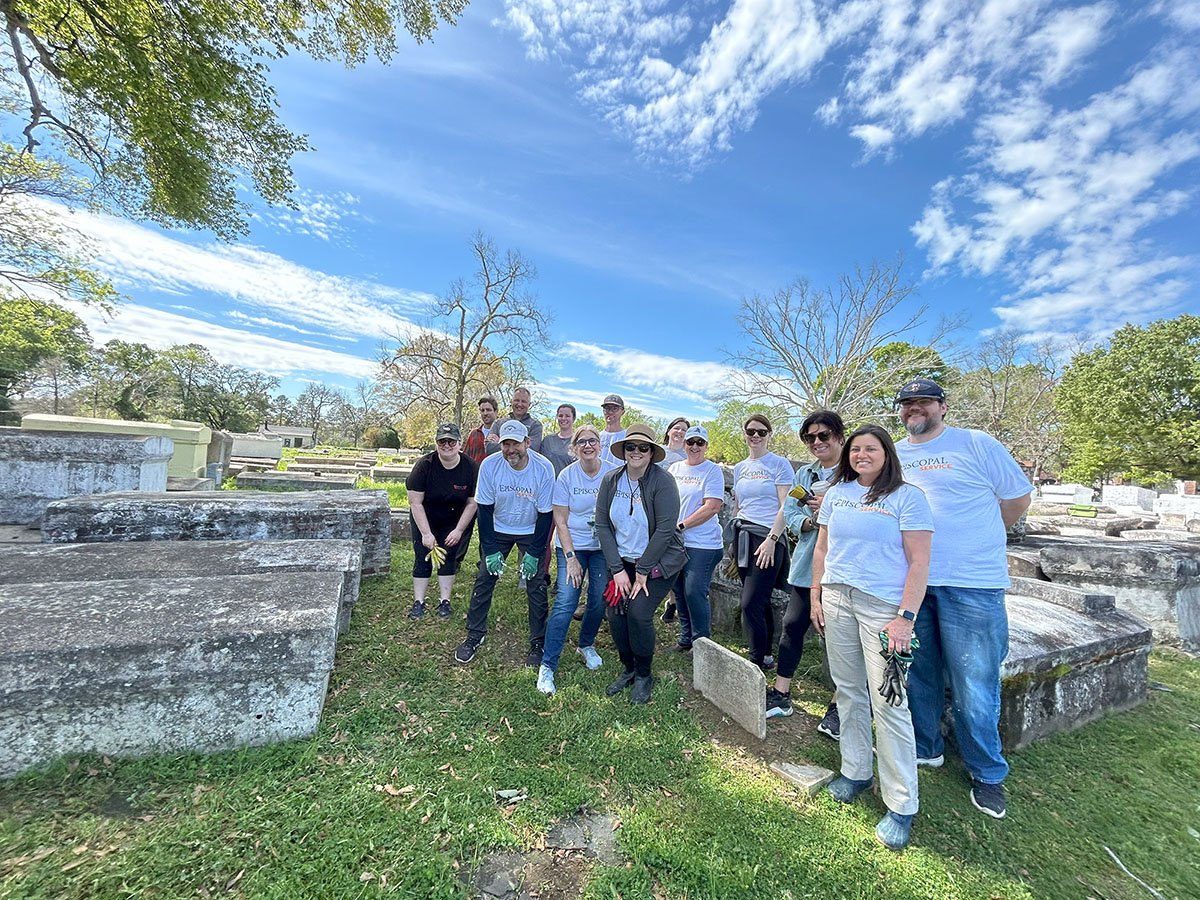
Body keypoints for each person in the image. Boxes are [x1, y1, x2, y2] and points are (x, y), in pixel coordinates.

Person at [894, 377, 1033, 821]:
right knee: (920, 670)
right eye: (907, 403)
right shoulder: (896, 452)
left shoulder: (976, 444)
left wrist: (978, 538)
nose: (914, 409)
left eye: (923, 402)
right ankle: (927, 746)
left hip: (972, 582)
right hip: (914, 581)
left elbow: (1016, 500)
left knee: (975, 682)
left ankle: (987, 773)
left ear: (942, 407)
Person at [811, 423, 933, 851]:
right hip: (837, 598)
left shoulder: (907, 498)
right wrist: (816, 595)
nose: (862, 455)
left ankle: (901, 803)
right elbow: (822, 550)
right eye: (857, 449)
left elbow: (919, 563)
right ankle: (856, 771)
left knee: (890, 703)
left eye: (871, 449)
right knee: (848, 691)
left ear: (886, 454)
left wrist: (905, 618)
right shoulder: (838, 494)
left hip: (884, 610)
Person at [594, 423, 685, 704]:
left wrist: (642, 571)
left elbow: (666, 529)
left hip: (657, 562)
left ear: (651, 452)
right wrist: (618, 570)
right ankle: (629, 668)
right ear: (624, 451)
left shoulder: (663, 482)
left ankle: (645, 674)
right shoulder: (611, 480)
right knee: (615, 613)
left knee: (638, 613)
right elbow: (602, 525)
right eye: (631, 447)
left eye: (643, 448)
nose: (637, 452)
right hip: (621, 560)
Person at [454, 420, 555, 667]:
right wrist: (489, 549)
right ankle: (474, 635)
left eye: (516, 443)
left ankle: (538, 641)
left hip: (531, 528)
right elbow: (485, 510)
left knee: (536, 584)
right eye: (506, 444)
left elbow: (546, 515)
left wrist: (534, 552)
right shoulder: (490, 466)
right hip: (499, 527)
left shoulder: (543, 468)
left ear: (527, 443)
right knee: (484, 578)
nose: (511, 449)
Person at [771, 411, 845, 731]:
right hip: (806, 566)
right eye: (810, 437)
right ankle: (780, 694)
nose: (817, 442)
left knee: (840, 639)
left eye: (824, 435)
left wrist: (832, 509)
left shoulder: (856, 473)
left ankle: (840, 706)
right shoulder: (805, 475)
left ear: (840, 436)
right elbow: (790, 514)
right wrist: (812, 520)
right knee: (792, 626)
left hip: (843, 568)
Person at [537, 425, 616, 694]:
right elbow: (560, 518)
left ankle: (586, 644)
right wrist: (571, 558)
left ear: (600, 445)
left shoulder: (611, 473)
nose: (587, 445)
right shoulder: (567, 476)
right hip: (571, 545)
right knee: (566, 601)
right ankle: (547, 665)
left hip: (601, 547)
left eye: (592, 441)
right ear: (574, 448)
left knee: (597, 598)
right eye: (581, 442)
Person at [730, 413, 794, 671]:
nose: (755, 436)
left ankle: (754, 661)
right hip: (742, 534)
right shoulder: (740, 467)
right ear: (745, 434)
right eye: (751, 431)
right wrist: (733, 542)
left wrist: (772, 539)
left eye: (761, 431)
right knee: (760, 600)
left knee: (750, 603)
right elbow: (738, 505)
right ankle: (766, 654)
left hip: (767, 537)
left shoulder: (779, 464)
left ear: (769, 434)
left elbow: (785, 506)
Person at [405, 423, 479, 620]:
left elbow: (472, 503)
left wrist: (459, 530)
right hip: (425, 516)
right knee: (422, 556)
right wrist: (426, 534)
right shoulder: (424, 466)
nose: (447, 445)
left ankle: (444, 601)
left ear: (459, 443)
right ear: (436, 443)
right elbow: (415, 502)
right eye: (442, 441)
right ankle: (418, 601)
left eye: (451, 441)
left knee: (448, 557)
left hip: (454, 519)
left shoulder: (470, 467)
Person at [664, 425, 724, 652]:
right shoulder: (674, 468)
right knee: (679, 590)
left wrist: (681, 525)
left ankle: (702, 643)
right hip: (677, 542)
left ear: (706, 446)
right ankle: (685, 638)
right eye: (690, 442)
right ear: (684, 444)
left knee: (694, 590)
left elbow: (712, 506)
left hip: (703, 543)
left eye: (700, 442)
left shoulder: (712, 471)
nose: (694, 446)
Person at [485, 387, 543, 454]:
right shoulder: (498, 423)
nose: (519, 404)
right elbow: (489, 448)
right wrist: (521, 445)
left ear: (529, 405)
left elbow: (532, 450)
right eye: (516, 400)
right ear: (511, 401)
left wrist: (500, 442)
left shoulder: (535, 426)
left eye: (523, 401)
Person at [540, 403, 576, 476]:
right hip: (549, 483)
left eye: (567, 416)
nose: (563, 418)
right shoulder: (547, 440)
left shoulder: (577, 441)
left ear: (574, 418)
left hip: (569, 484)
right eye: (560, 416)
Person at [464, 396, 498, 465]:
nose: (485, 413)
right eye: (482, 410)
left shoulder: (502, 432)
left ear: (496, 412)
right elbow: (465, 457)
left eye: (488, 410)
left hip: (497, 473)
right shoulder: (474, 434)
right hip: (477, 474)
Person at [597, 394, 626, 465]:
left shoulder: (627, 437)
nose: (610, 412)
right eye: (607, 408)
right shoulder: (596, 437)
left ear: (622, 412)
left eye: (615, 408)